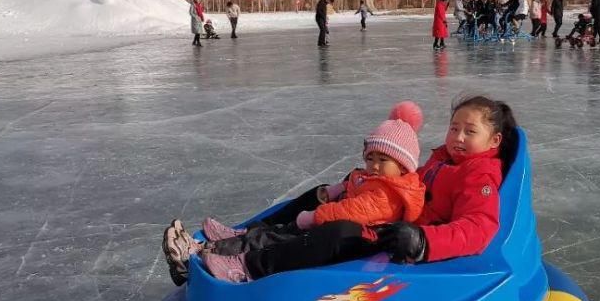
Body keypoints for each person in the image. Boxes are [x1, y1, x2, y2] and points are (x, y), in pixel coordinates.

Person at [164, 95, 518, 285]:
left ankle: (248, 266)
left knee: (337, 232)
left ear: (494, 140)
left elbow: (478, 228)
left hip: (399, 236)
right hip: (387, 218)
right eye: (454, 127)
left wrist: (424, 242)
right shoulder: (441, 161)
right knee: (319, 194)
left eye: (469, 132)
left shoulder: (479, 177)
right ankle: (246, 235)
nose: (456, 137)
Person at [183, 103, 427, 284]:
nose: (373, 165)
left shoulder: (389, 194)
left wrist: (314, 217)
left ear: (403, 166)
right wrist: (335, 191)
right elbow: (354, 186)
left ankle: (233, 255)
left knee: (290, 235)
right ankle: (239, 238)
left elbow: (352, 211)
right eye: (370, 157)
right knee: (291, 224)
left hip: (357, 237)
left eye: (383, 160)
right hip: (342, 222)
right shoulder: (379, 180)